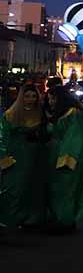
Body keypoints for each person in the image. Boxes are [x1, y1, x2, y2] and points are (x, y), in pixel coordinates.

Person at [44, 86, 83, 232]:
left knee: (66, 189)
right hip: (58, 153)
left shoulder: (74, 114)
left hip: (69, 155)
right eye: (49, 99)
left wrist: (67, 158)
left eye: (53, 98)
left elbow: (73, 137)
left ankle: (65, 221)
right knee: (57, 188)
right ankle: (60, 219)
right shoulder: (62, 113)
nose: (50, 102)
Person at [0, 84, 47, 227]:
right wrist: (3, 157)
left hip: (36, 156)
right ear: (21, 97)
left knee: (33, 187)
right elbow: (3, 137)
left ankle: (30, 219)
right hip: (15, 157)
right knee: (14, 187)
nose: (30, 99)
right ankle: (8, 218)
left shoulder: (41, 114)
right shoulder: (11, 114)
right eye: (27, 96)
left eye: (33, 96)